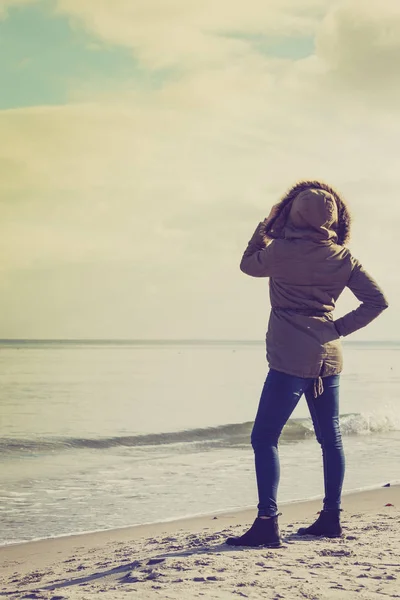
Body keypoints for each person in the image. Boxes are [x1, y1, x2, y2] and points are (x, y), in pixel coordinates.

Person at [226, 180, 389, 548]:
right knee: (330, 438)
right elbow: (377, 301)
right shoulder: (342, 257)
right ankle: (331, 518)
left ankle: (267, 523)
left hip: (289, 356)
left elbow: (247, 265)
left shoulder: (280, 250)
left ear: (293, 213)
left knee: (264, 437)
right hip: (328, 355)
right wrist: (336, 328)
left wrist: (264, 227)